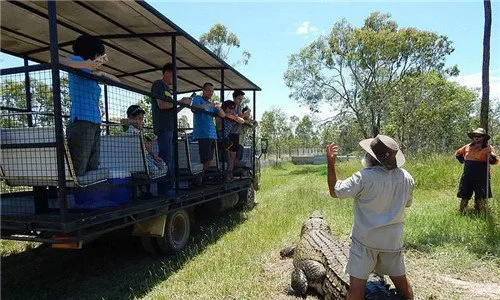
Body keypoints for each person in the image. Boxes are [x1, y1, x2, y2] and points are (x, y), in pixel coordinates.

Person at [326, 135, 414, 300]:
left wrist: (331, 164)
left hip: (365, 241)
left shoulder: (363, 177)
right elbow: (407, 204)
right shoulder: (407, 177)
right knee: (401, 281)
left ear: (372, 157)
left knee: (357, 289)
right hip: (393, 241)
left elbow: (334, 191)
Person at [61, 34, 118, 177]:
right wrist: (85, 65)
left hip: (95, 122)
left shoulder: (92, 72)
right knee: (79, 165)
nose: (101, 59)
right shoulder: (78, 61)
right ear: (93, 52)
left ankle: (90, 197)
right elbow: (55, 60)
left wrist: (100, 73)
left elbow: (117, 81)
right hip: (81, 121)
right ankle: (74, 197)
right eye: (99, 55)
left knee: (93, 164)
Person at [150, 63, 192, 196]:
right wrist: (179, 101)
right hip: (163, 127)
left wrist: (182, 105)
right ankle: (164, 190)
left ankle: (170, 187)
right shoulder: (158, 85)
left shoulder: (168, 89)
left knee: (171, 158)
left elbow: (171, 109)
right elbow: (162, 105)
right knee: (166, 158)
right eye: (175, 75)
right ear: (167, 73)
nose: (176, 79)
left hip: (171, 127)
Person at [121, 105, 166, 198]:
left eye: (141, 119)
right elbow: (123, 121)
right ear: (130, 117)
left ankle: (146, 191)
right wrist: (135, 122)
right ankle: (142, 190)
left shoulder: (141, 132)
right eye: (138, 118)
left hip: (145, 157)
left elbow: (147, 147)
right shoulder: (127, 128)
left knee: (163, 166)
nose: (140, 121)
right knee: (152, 170)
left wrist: (154, 156)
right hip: (133, 158)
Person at [455, 128, 498, 214]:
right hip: (468, 175)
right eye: (475, 136)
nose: (477, 138)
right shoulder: (467, 147)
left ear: (483, 137)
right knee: (464, 195)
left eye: (479, 136)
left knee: (481, 197)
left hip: (482, 176)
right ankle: (461, 212)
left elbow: (494, 161)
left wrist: (489, 154)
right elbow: (458, 154)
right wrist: (463, 161)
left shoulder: (488, 147)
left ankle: (482, 214)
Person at [192, 82, 225, 175]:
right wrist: (210, 105)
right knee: (205, 159)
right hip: (203, 134)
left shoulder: (211, 104)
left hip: (212, 135)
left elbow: (223, 115)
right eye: (209, 90)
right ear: (203, 90)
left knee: (209, 159)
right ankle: (198, 178)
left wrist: (218, 108)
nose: (211, 93)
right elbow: (194, 108)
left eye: (212, 91)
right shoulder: (198, 99)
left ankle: (200, 177)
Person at [216, 100, 245, 181]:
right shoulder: (219, 114)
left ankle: (228, 177)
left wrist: (232, 117)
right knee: (221, 161)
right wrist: (225, 116)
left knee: (229, 161)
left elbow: (242, 121)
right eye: (229, 108)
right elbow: (219, 127)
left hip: (226, 142)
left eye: (232, 108)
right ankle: (224, 177)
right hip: (219, 141)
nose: (231, 110)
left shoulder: (231, 117)